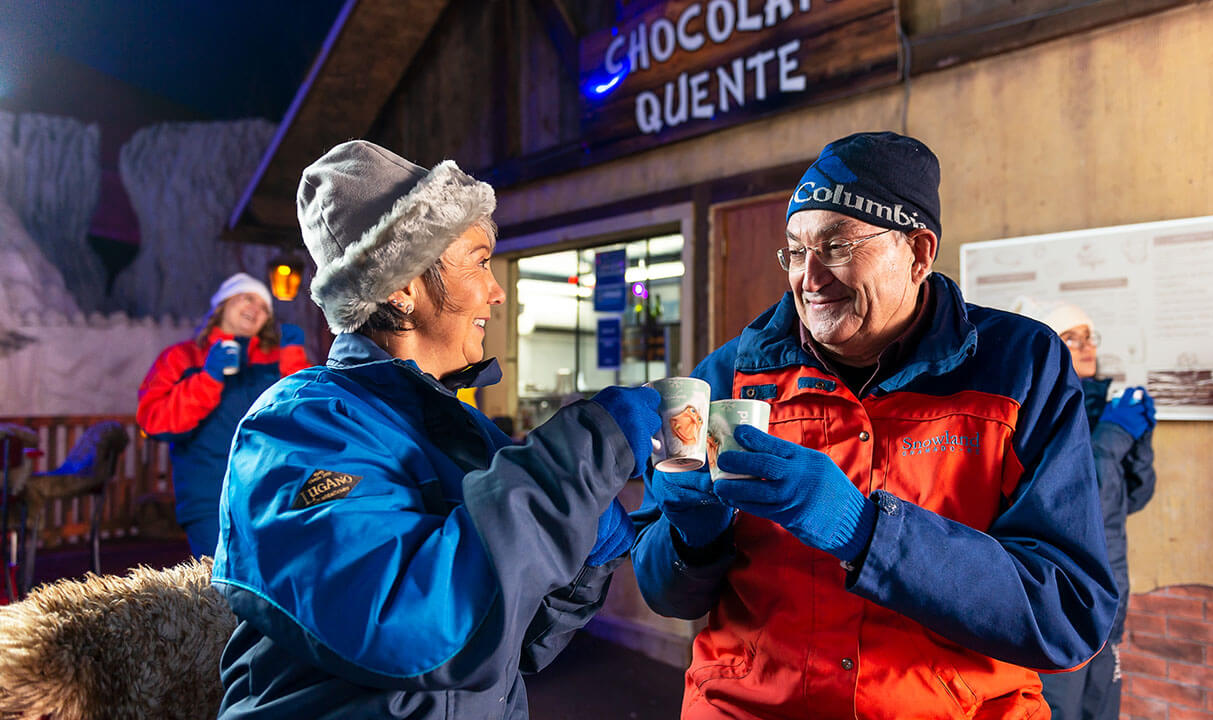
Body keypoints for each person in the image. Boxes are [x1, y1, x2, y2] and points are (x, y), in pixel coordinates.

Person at [631, 131, 1119, 719]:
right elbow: (665, 593)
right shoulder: (732, 375)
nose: (809, 279)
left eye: (837, 247)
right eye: (794, 250)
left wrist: (866, 531)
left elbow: (1069, 614)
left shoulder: (1018, 368)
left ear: (919, 253)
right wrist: (690, 536)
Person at [211, 140, 661, 719]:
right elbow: (411, 630)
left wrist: (590, 546)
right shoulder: (299, 428)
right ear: (402, 287)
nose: (496, 291)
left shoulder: (457, 431)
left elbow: (510, 648)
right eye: (478, 260)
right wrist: (587, 448)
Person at [1021, 301, 1157, 720]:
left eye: (1089, 335)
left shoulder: (1102, 407)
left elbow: (1131, 499)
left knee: (1101, 707)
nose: (1086, 346)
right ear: (1046, 345)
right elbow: (1073, 504)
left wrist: (1140, 446)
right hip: (1062, 596)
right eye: (1070, 336)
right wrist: (1111, 442)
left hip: (1110, 590)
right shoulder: (1036, 410)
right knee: (1058, 706)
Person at [137, 272, 310, 558]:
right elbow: (155, 421)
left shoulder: (275, 360)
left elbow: (303, 418)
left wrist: (292, 361)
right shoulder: (182, 358)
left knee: (277, 588)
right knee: (221, 591)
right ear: (222, 305)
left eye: (264, 306)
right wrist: (208, 377)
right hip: (209, 499)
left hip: (273, 496)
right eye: (247, 297)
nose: (257, 307)